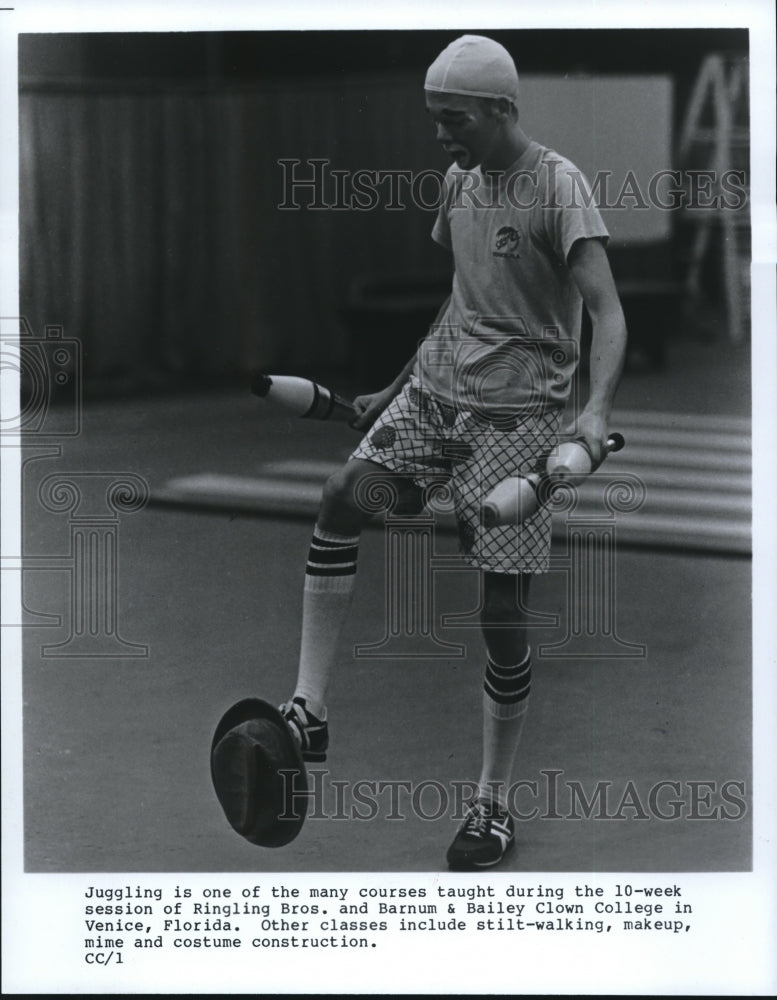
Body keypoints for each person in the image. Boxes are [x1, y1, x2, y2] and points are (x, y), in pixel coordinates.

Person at [279, 34, 628, 869]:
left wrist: (594, 413)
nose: (440, 135)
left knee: (500, 616)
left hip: (517, 419)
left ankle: (491, 806)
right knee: (342, 497)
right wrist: (392, 385)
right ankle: (308, 707)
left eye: (453, 119)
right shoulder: (458, 181)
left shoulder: (559, 186)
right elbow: (461, 297)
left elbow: (606, 314)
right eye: (434, 120)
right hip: (435, 394)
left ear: (501, 110)